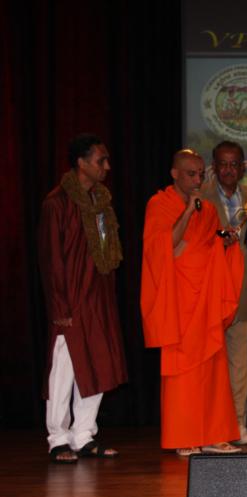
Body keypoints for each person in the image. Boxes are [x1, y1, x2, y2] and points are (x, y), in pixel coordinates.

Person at [141, 148, 244, 456]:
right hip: (178, 300)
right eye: (191, 174)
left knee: (212, 367)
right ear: (174, 174)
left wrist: (225, 243)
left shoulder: (208, 209)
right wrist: (187, 212)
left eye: (200, 174)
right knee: (183, 371)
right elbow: (164, 247)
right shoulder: (159, 204)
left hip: (205, 297)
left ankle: (214, 435)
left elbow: (207, 245)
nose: (197, 180)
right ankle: (183, 436)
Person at [38, 133, 128, 464]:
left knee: (99, 366)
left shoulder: (101, 201)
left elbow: (107, 252)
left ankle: (83, 435)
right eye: (100, 160)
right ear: (81, 163)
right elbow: (51, 260)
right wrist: (60, 306)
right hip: (71, 299)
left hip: (98, 298)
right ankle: (58, 438)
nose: (107, 166)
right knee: (64, 370)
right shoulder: (57, 203)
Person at [201, 141, 247, 445]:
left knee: (239, 363)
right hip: (207, 293)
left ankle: (238, 424)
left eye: (234, 164)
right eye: (223, 164)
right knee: (210, 364)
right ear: (214, 167)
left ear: (242, 167)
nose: (228, 170)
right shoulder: (200, 197)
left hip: (240, 291)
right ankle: (208, 426)